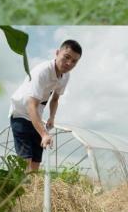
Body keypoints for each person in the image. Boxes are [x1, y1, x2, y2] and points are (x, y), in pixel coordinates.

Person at [9, 40, 82, 172]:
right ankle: (20, 189)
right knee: (26, 159)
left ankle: (32, 189)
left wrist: (52, 117)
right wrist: (44, 134)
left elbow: (55, 99)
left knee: (36, 159)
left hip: (36, 117)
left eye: (74, 61)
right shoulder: (42, 72)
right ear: (57, 53)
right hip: (21, 114)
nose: (69, 63)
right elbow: (31, 105)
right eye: (66, 57)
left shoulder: (65, 76)